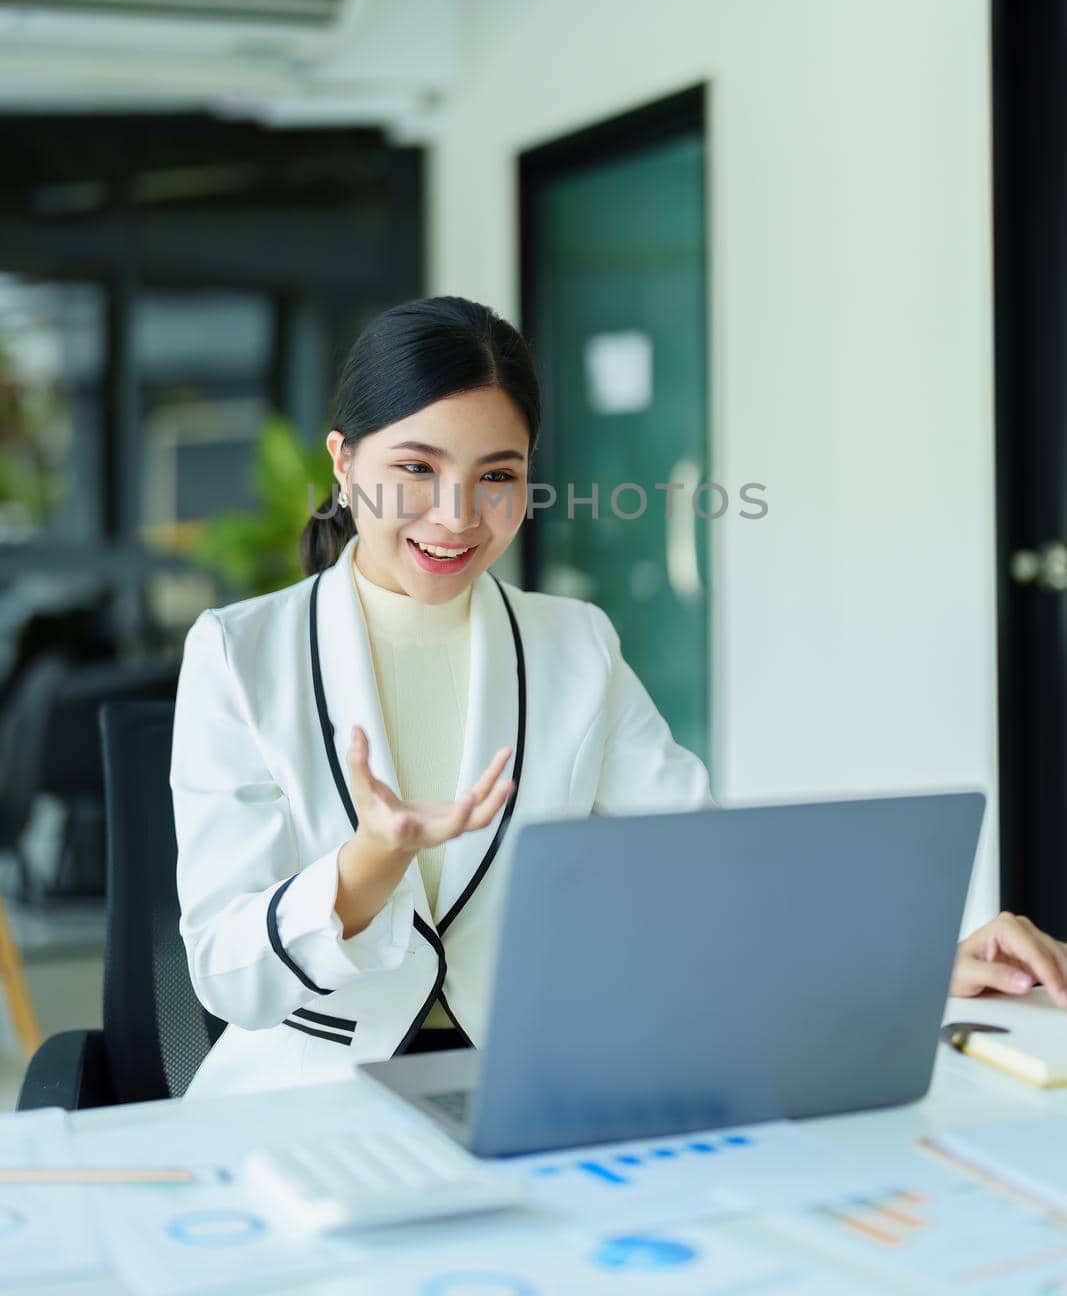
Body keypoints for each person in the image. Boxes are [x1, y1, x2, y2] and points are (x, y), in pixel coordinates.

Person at [172, 295, 1067, 1100]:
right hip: (308, 1096)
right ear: (343, 462)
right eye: (415, 467)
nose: (456, 516)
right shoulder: (240, 655)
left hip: (534, 1083)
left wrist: (921, 962)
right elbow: (226, 973)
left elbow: (704, 874)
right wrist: (369, 862)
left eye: (497, 475)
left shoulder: (572, 644)